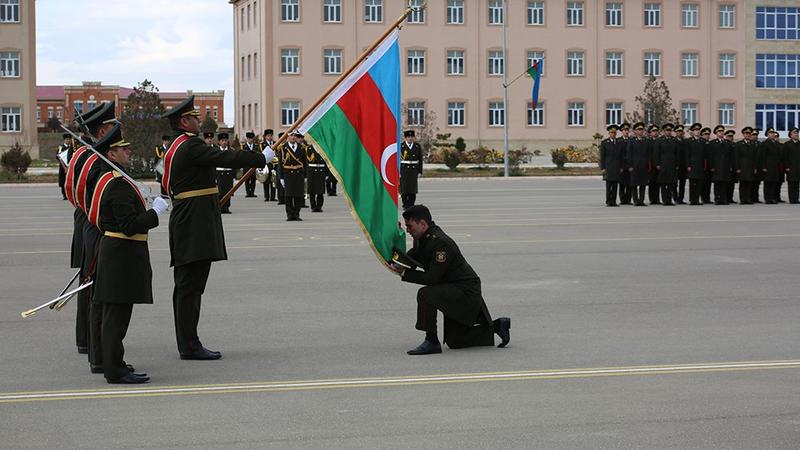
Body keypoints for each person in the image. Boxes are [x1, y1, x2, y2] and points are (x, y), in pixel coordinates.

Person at [161, 95, 272, 360]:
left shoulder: (178, 145)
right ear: (184, 121)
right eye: (195, 117)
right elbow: (228, 157)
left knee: (189, 286)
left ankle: (188, 341)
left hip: (191, 219)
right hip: (194, 223)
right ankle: (189, 344)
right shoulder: (190, 146)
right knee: (190, 286)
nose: (199, 120)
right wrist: (260, 157)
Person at [87, 124, 168, 384]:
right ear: (111, 154)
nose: (128, 151)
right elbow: (129, 226)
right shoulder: (117, 185)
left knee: (116, 315)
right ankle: (114, 370)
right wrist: (155, 213)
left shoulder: (112, 179)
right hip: (121, 256)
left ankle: (115, 362)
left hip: (117, 253)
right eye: (123, 149)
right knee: (116, 317)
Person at [389, 205, 510, 355]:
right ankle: (498, 326)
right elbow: (413, 256)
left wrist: (405, 274)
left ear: (422, 224)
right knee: (456, 341)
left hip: (465, 291)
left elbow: (431, 278)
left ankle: (431, 341)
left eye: (409, 226)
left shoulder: (440, 243)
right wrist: (395, 246)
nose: (408, 230)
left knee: (425, 294)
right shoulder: (423, 237)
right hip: (454, 287)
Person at [277, 131, 307, 221]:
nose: (293, 137)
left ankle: (297, 214)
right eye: (291, 135)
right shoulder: (283, 148)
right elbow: (280, 164)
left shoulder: (301, 147)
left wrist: (305, 176)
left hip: (299, 175)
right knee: (288, 196)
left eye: (294, 135)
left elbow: (305, 163)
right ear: (287, 137)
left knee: (298, 196)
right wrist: (281, 177)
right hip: (288, 174)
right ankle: (290, 215)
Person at [625, 122, 650, 206]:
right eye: (639, 130)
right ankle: (636, 200)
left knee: (643, 184)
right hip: (634, 166)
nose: (640, 131)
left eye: (642, 130)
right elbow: (629, 154)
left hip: (643, 166)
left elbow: (648, 154)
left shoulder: (646, 141)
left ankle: (641, 201)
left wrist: (648, 165)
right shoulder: (631, 141)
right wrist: (630, 166)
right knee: (634, 184)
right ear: (635, 131)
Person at [654, 123, 678, 206]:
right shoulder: (659, 140)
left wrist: (676, 164)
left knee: (671, 183)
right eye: (667, 130)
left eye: (670, 130)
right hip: (663, 164)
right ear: (664, 131)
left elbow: (677, 153)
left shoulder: (674, 140)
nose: (668, 132)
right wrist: (657, 164)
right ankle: (664, 200)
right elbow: (656, 153)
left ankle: (669, 200)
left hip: (672, 164)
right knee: (663, 183)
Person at [599, 124, 623, 207]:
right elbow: (602, 156)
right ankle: (608, 201)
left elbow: (621, 156)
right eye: (611, 133)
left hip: (616, 167)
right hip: (608, 167)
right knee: (609, 185)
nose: (613, 134)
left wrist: (621, 167)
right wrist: (603, 167)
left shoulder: (619, 143)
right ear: (609, 133)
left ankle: (614, 201)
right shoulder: (605, 143)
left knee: (615, 185)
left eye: (614, 133)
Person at [709, 125, 734, 205]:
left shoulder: (727, 143)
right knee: (717, 184)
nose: (721, 133)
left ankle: (724, 199)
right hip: (716, 166)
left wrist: (730, 166)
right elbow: (711, 156)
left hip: (725, 166)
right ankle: (717, 199)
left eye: (722, 131)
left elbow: (730, 156)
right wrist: (712, 166)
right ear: (716, 133)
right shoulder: (712, 143)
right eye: (719, 131)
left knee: (724, 183)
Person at [399, 130, 423, 209]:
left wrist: (420, 171)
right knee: (404, 188)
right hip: (404, 169)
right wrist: (397, 171)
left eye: (411, 137)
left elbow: (420, 159)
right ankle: (405, 204)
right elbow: (397, 159)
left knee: (412, 189)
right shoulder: (401, 146)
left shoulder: (417, 146)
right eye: (408, 137)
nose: (410, 139)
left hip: (413, 169)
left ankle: (411, 204)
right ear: (405, 138)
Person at [734, 127, 758, 204]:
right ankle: (743, 199)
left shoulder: (752, 144)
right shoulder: (739, 144)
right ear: (743, 134)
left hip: (750, 167)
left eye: (749, 134)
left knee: (749, 183)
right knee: (743, 184)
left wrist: (755, 167)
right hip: (742, 167)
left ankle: (748, 199)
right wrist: (737, 167)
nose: (747, 135)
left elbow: (755, 157)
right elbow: (736, 157)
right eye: (746, 133)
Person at [760, 127, 783, 204]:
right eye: (770, 133)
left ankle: (773, 198)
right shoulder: (764, 144)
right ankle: (767, 199)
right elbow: (762, 156)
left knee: (774, 182)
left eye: (773, 133)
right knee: (767, 183)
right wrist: (763, 166)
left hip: (775, 166)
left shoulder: (776, 144)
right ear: (767, 134)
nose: (772, 134)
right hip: (768, 166)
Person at [304, 137, 327, 212]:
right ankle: (313, 206)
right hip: (312, 171)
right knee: (312, 191)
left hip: (321, 171)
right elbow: (306, 163)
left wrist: (326, 174)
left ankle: (319, 206)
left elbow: (327, 162)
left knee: (320, 191)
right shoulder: (308, 149)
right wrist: (306, 175)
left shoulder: (323, 148)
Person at [215, 133, 235, 214]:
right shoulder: (216, 151)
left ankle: (226, 207)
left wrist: (234, 176)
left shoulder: (231, 151)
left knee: (228, 191)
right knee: (220, 191)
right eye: (222, 141)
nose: (224, 142)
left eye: (225, 140)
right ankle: (220, 207)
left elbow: (234, 164)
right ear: (219, 142)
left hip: (228, 173)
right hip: (219, 173)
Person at [617, 122, 632, 205]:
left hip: (630, 165)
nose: (626, 132)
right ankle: (622, 199)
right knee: (622, 183)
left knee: (629, 183)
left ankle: (628, 199)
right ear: (622, 131)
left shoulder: (631, 140)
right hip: (622, 165)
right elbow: (618, 155)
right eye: (624, 130)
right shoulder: (618, 141)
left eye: (627, 130)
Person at [784, 127, 800, 204]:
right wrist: (786, 166)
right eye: (795, 133)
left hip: (798, 167)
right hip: (790, 167)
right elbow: (785, 157)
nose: (797, 134)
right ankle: (792, 199)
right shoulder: (787, 144)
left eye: (797, 133)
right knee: (791, 183)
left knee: (797, 184)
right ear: (790, 135)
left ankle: (796, 198)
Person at [261, 129, 277, 202]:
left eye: (271, 135)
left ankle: (273, 197)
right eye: (268, 136)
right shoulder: (262, 144)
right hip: (266, 165)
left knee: (273, 180)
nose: (270, 137)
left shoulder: (275, 143)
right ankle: (266, 196)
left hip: (274, 165)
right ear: (265, 137)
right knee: (266, 181)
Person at [646, 125, 661, 205]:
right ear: (650, 133)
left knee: (658, 182)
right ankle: (652, 199)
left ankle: (657, 198)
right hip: (651, 165)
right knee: (651, 182)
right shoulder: (648, 141)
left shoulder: (660, 141)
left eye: (656, 131)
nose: (655, 132)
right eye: (653, 131)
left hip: (658, 165)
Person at [674, 125, 688, 204]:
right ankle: (675, 198)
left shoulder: (685, 141)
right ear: (675, 132)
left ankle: (681, 199)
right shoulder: (673, 140)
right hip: (675, 165)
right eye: (678, 131)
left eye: (681, 131)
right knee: (674, 183)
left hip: (683, 165)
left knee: (682, 183)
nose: (680, 133)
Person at [242, 131, 259, 197]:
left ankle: (252, 192)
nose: (250, 140)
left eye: (251, 138)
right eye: (249, 138)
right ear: (247, 139)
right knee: (247, 180)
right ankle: (247, 192)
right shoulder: (243, 146)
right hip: (246, 166)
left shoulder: (256, 146)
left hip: (253, 166)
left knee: (253, 180)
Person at [57, 133, 73, 200]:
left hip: (71, 166)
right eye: (67, 139)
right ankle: (64, 195)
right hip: (63, 167)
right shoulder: (61, 147)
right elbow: (58, 156)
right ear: (64, 140)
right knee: (63, 181)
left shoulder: (72, 147)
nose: (68, 140)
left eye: (69, 139)